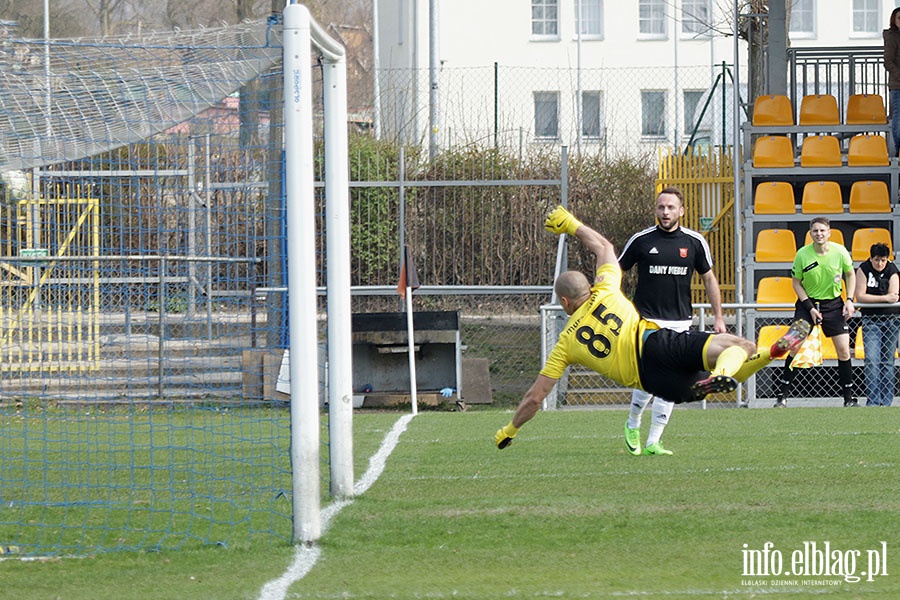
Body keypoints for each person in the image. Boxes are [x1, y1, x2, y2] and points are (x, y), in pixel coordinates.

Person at [494, 206, 810, 450]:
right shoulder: (605, 288)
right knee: (738, 348)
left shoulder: (565, 344)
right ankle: (738, 367)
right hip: (658, 343)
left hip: (655, 382)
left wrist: (511, 429)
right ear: (588, 287)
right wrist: (572, 225)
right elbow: (603, 246)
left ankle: (760, 357)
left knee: (739, 358)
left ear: (564, 302)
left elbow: (535, 397)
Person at [618, 186, 727, 456]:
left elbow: (709, 279)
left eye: (670, 208)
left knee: (671, 382)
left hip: (680, 323)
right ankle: (633, 424)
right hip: (647, 322)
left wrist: (719, 317)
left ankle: (654, 440)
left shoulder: (694, 242)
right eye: (660, 207)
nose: (665, 212)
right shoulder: (641, 240)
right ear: (655, 210)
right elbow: (615, 271)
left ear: (681, 211)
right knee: (650, 379)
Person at [773, 217, 857, 408]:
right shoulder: (802, 254)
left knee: (844, 350)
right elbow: (796, 282)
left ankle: (849, 399)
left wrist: (850, 300)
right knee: (794, 345)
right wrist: (810, 307)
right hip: (807, 305)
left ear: (829, 233)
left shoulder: (840, 251)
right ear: (810, 233)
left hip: (834, 305)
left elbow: (850, 274)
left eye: (822, 230)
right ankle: (782, 396)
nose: (819, 234)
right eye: (815, 231)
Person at [854, 243, 900, 406]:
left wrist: (880, 298)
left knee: (887, 362)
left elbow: (894, 295)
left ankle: (886, 401)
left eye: (883, 260)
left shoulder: (892, 270)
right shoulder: (864, 269)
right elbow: (860, 296)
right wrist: (883, 299)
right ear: (871, 258)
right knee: (872, 360)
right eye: (876, 260)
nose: (880, 264)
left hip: (892, 321)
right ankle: (873, 400)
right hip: (871, 320)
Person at [884, 7, 900, 157]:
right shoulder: (892, 37)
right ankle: (898, 149)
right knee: (898, 117)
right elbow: (888, 61)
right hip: (898, 85)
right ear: (894, 20)